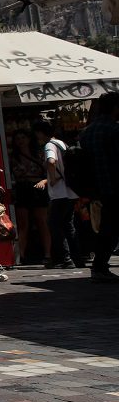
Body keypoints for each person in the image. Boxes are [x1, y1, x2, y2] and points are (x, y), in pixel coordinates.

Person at [79, 92, 119, 282]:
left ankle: (100, 265)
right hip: (114, 184)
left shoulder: (88, 131)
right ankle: (100, 266)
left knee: (107, 226)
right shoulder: (113, 129)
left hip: (98, 187)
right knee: (110, 228)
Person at [33, 120, 82, 269]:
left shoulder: (49, 145)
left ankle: (65, 259)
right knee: (68, 225)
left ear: (40, 133)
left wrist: (52, 179)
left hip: (59, 193)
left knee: (55, 226)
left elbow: (51, 161)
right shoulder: (62, 143)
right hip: (71, 191)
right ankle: (77, 258)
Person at [9, 129, 51, 264]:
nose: (20, 141)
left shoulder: (38, 154)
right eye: (17, 139)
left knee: (42, 222)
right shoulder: (12, 157)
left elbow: (48, 172)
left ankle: (48, 254)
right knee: (23, 224)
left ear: (29, 139)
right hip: (22, 188)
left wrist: (44, 181)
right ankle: (21, 255)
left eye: (23, 137)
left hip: (38, 187)